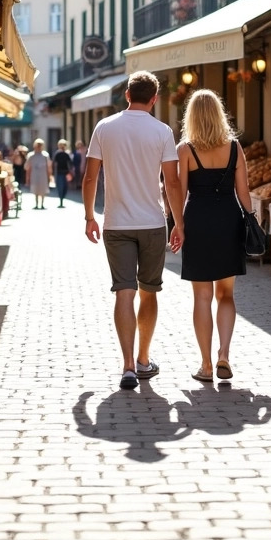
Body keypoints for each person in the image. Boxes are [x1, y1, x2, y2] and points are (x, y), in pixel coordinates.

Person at [83, 71, 185, 391]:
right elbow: (172, 181)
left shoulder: (104, 127)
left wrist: (89, 215)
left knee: (123, 291)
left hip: (116, 223)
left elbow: (90, 178)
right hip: (153, 224)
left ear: (126, 94)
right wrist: (179, 223)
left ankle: (127, 366)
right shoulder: (162, 131)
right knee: (149, 290)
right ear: (154, 99)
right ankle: (143, 359)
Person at [176, 89, 251, 383]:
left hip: (197, 223)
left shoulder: (185, 149)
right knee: (226, 294)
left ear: (191, 117)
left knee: (202, 296)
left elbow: (180, 194)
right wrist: (252, 222)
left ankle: (206, 365)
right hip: (228, 221)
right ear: (219, 114)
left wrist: (177, 226)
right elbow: (243, 192)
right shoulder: (234, 147)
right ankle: (224, 355)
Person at [26, 139, 51, 209]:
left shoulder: (45, 155)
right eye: (38, 145)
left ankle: (42, 204)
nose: (39, 147)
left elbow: (48, 166)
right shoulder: (31, 155)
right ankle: (36, 204)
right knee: (35, 188)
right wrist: (27, 178)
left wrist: (49, 176)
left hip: (43, 175)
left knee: (43, 189)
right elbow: (28, 167)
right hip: (34, 174)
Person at [52, 139, 73, 208]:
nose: (62, 147)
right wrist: (53, 174)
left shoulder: (67, 154)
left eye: (64, 145)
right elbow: (54, 164)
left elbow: (70, 163)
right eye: (61, 145)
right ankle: (61, 201)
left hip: (66, 173)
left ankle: (62, 199)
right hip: (59, 173)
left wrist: (70, 171)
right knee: (60, 187)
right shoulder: (57, 154)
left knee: (65, 188)